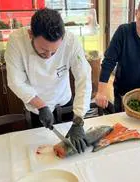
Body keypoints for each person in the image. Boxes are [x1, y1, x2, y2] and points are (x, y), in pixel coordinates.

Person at [5, 8, 92, 153]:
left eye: (54, 51)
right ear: (30, 34)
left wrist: (78, 121)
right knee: (42, 150)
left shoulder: (71, 42)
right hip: (37, 107)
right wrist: (41, 106)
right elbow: (16, 81)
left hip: (64, 102)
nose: (49, 55)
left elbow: (84, 77)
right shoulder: (16, 41)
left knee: (71, 151)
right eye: (44, 50)